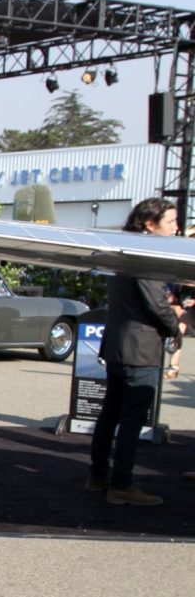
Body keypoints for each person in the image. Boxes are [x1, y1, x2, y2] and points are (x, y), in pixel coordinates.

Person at [88, 198, 183, 505]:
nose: (176, 228)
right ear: (149, 224)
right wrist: (175, 327)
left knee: (110, 415)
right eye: (170, 222)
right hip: (139, 351)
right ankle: (121, 485)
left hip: (119, 347)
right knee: (131, 420)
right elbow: (156, 305)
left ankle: (98, 476)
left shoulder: (125, 253)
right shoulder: (146, 257)